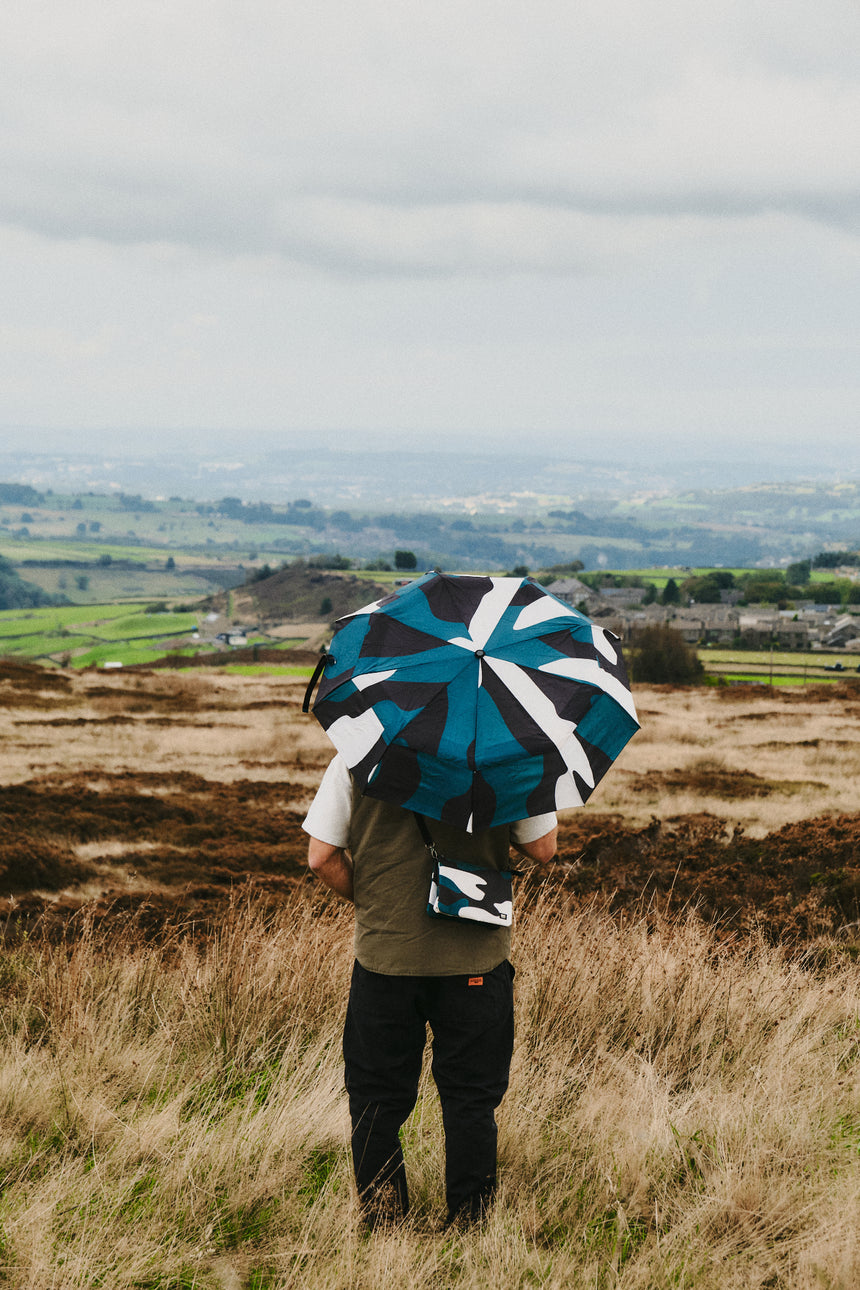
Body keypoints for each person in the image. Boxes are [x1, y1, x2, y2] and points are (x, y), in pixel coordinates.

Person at [302, 752, 558, 1229]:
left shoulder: (359, 754)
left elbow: (320, 857)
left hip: (385, 960)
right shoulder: (509, 755)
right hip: (477, 964)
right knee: (470, 1098)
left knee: (376, 1098)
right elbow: (543, 849)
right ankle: (470, 1221)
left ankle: (384, 1224)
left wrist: (380, 904)